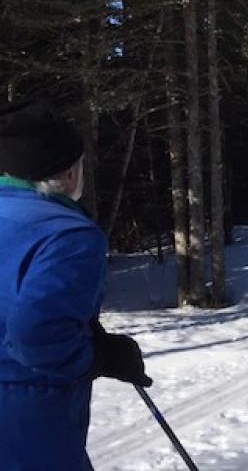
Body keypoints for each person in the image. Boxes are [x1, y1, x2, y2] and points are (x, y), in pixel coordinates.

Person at [0, 99, 152, 470]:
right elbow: (38, 335)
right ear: (68, 173)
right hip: (24, 419)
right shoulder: (68, 234)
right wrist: (95, 358)